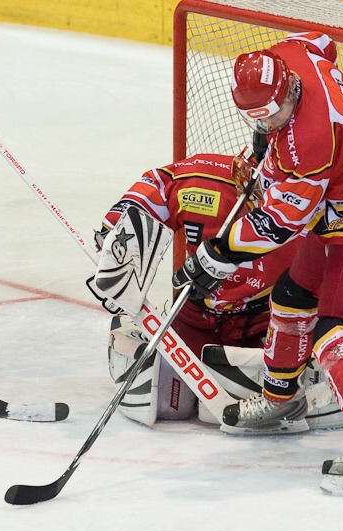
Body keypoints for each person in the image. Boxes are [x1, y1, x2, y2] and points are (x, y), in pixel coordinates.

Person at [173, 31, 343, 498]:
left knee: (335, 330)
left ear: (289, 90)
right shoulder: (290, 54)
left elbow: (279, 224)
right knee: (291, 295)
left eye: (272, 114)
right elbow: (323, 42)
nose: (268, 123)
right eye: (257, 117)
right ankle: (282, 403)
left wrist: (217, 254)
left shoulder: (310, 142)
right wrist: (265, 135)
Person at [98, 148, 303, 422]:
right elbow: (158, 185)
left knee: (265, 400)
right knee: (168, 404)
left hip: (263, 321)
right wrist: (115, 234)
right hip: (195, 314)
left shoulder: (310, 211)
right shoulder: (205, 179)